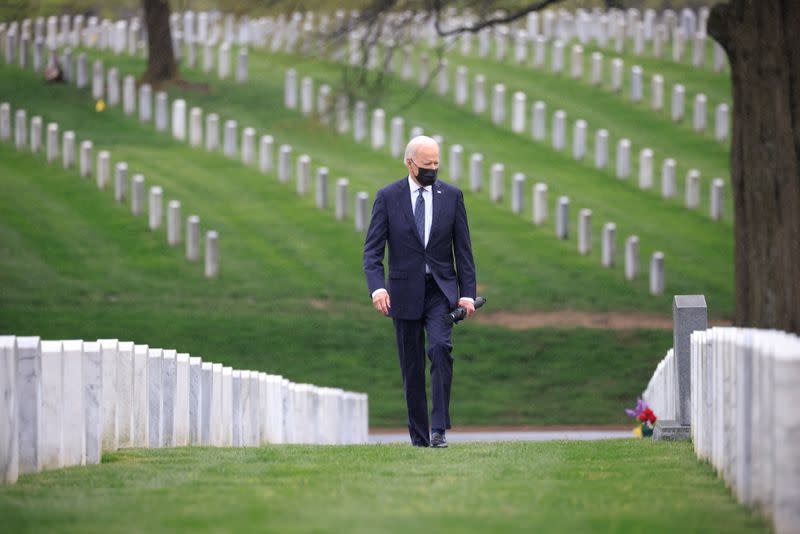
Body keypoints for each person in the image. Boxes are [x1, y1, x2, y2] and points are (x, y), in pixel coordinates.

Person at [363, 135, 477, 448]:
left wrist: (467, 294)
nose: (432, 169)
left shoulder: (452, 196)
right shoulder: (388, 197)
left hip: (440, 291)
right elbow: (372, 252)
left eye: (436, 164)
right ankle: (419, 436)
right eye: (426, 165)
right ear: (409, 163)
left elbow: (463, 251)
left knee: (441, 349)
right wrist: (377, 289)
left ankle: (439, 428)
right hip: (403, 292)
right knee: (411, 366)